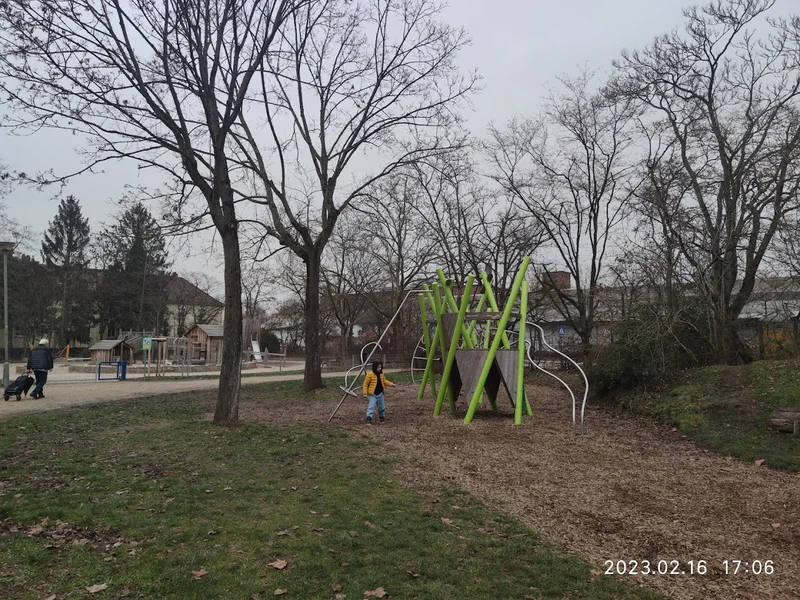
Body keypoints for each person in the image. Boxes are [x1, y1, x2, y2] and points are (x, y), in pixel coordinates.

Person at [362, 360, 394, 425]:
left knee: (382, 406)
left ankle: (381, 417)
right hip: (372, 394)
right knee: (371, 406)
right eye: (378, 367)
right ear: (375, 367)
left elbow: (384, 381)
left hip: (380, 394)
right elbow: (365, 384)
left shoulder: (381, 374)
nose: (380, 369)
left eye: (380, 367)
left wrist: (391, 384)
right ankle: (368, 418)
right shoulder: (370, 375)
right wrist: (365, 393)